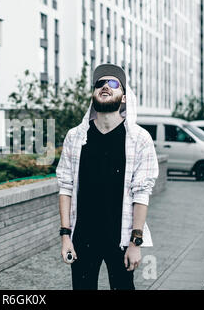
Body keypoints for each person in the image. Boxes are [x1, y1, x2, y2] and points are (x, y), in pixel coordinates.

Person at [56, 64, 159, 290]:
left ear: (123, 97)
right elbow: (65, 187)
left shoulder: (139, 139)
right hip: (82, 237)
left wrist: (136, 243)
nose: (105, 87)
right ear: (93, 93)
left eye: (113, 83)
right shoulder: (75, 137)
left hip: (121, 239)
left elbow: (142, 192)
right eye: (99, 83)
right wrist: (65, 237)